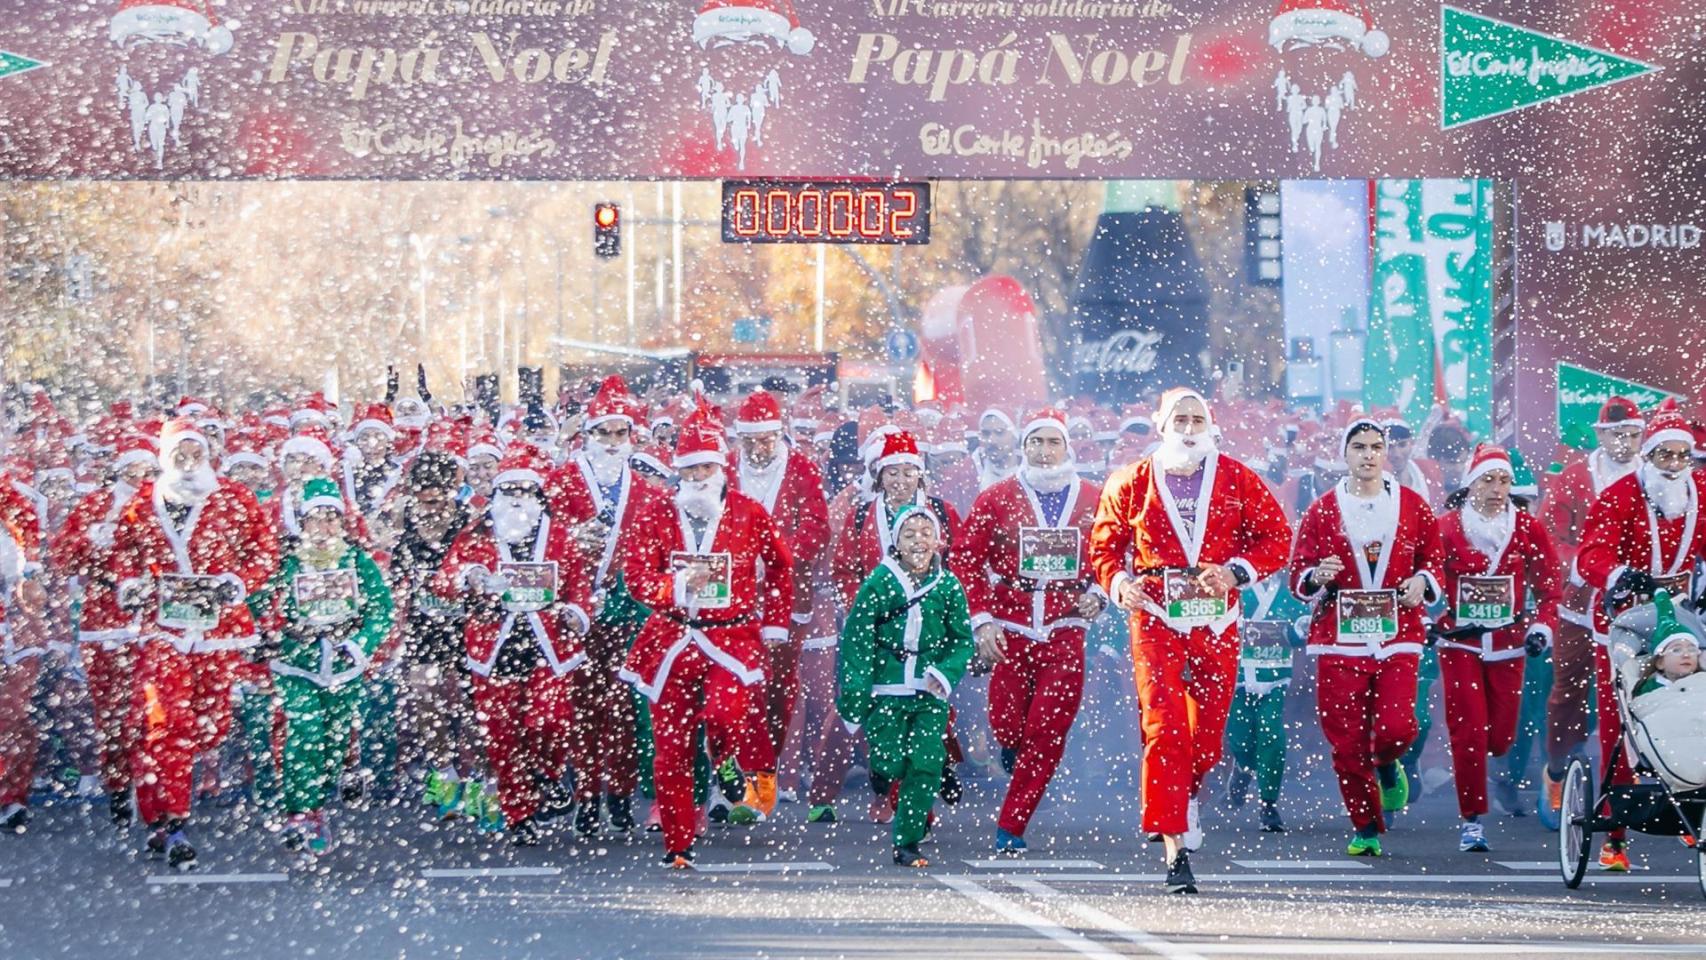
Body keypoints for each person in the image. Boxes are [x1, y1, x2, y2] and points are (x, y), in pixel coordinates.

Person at [1088, 388, 1293, 894]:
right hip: (1156, 615)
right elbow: (1105, 546)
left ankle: (1186, 793)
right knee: (1164, 726)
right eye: (1179, 417)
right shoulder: (1131, 481)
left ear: (1210, 423)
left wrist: (1237, 571)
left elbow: (1276, 538)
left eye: (1197, 417)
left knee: (1206, 738)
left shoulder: (1237, 477)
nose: (1188, 425)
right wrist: (1119, 583)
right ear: (1160, 423)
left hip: (1216, 620)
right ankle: (1174, 847)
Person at [618, 413, 794, 868]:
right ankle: (678, 842)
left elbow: (780, 566)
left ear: (721, 469)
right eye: (689, 470)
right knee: (671, 747)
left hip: (730, 637)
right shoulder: (655, 514)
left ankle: (727, 758)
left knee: (727, 712)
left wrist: (775, 621)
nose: (697, 477)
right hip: (671, 638)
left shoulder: (748, 512)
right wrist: (674, 586)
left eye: (705, 468)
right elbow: (636, 577)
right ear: (678, 472)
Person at [109, 418, 279, 869]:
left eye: (194, 455)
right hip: (163, 630)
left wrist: (237, 582)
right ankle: (172, 821)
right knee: (168, 722)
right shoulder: (143, 504)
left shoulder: (234, 498)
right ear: (164, 459)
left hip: (215, 630)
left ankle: (153, 792)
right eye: (178, 457)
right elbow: (123, 553)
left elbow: (264, 550)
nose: (187, 464)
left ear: (208, 456)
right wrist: (132, 585)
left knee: (211, 726)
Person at [951, 407, 1104, 852]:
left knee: (1047, 729)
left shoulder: (1095, 498)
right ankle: (1010, 750)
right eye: (1034, 442)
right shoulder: (997, 497)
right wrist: (981, 621)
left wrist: (1100, 592)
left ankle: (1012, 823)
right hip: (1010, 626)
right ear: (1023, 448)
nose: (1043, 451)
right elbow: (964, 558)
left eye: (1052, 442)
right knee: (1008, 725)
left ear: (1066, 447)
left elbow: (1117, 553)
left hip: (1066, 627)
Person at [1288, 418, 1441, 859]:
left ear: (1386, 452)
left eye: (1376, 446)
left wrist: (1422, 581)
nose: (1369, 454)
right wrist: (1316, 576)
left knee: (1397, 727)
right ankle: (1365, 824)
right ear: (1345, 454)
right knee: (1346, 739)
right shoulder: (1321, 510)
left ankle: (1388, 763)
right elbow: (1299, 573)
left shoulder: (1412, 505)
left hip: (1397, 634)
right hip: (1339, 638)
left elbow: (1433, 556)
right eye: (1359, 447)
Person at [432, 448, 594, 846]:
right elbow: (443, 579)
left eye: (526, 490)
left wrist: (576, 611)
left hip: (548, 644)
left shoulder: (558, 535)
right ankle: (519, 813)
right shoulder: (477, 534)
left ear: (539, 497)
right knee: (502, 736)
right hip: (494, 646)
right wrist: (469, 575)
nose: (518, 498)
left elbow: (579, 586)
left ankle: (549, 773)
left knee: (550, 719)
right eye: (510, 491)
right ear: (497, 495)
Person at [1573, 399, 1706, 872]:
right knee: (1620, 721)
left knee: (1695, 704)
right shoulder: (1620, 495)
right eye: (1663, 456)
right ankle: (1615, 834)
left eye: (1680, 456)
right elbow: (1590, 554)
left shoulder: (1702, 492)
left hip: (1684, 620)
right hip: (1626, 619)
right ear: (1646, 457)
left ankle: (1694, 804)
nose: (1673, 466)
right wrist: (1619, 575)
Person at [546, 377, 671, 836]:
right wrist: (570, 542)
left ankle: (619, 794)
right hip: (576, 610)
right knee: (581, 705)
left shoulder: (648, 490)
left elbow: (660, 549)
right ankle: (585, 794)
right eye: (605, 433)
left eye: (621, 433)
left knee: (622, 704)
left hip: (627, 610)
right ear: (589, 435)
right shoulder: (561, 482)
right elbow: (541, 541)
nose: (613, 442)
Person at [248, 478, 393, 854]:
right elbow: (256, 603)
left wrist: (359, 644)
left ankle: (317, 800)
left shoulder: (357, 561)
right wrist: (271, 634)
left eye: (332, 519)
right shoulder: (287, 563)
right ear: (302, 522)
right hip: (297, 663)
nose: (324, 528)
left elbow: (382, 611)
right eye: (316, 519)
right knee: (303, 731)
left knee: (335, 740)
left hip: (343, 665)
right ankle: (299, 811)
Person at [1431, 446, 1562, 853]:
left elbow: (1551, 587)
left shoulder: (1527, 528)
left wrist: (1542, 627)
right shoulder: (1447, 527)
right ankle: (1472, 821)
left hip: (1509, 644)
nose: (1496, 489)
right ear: (1470, 484)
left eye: (1503, 481)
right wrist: (1428, 623)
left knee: (1501, 737)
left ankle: (1492, 762)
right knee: (1467, 728)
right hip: (1460, 643)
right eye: (1487, 480)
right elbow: (1427, 578)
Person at [838, 505, 974, 868]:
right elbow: (858, 638)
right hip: (887, 688)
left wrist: (945, 672)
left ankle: (908, 841)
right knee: (890, 760)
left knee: (924, 764)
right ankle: (882, 772)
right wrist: (857, 689)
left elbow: (962, 639)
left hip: (930, 691)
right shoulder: (878, 583)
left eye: (925, 533)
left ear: (938, 540)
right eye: (909, 534)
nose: (918, 541)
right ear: (895, 542)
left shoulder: (948, 585)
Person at [1536, 396, 1642, 826]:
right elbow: (1550, 538)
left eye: (1633, 434)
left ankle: (1656, 784)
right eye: (1617, 434)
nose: (1626, 442)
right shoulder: (1575, 479)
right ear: (1601, 435)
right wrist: (1594, 566)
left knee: (1645, 693)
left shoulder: (1651, 478)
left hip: (1637, 610)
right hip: (1581, 609)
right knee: (1570, 695)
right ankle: (1558, 771)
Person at [728, 388, 830, 823]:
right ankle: (731, 777)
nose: (758, 449)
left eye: (766, 439)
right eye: (750, 441)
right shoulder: (727, 472)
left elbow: (818, 526)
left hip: (787, 597)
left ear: (779, 434)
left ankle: (763, 777)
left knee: (777, 691)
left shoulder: (802, 469)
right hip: (731, 599)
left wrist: (775, 554)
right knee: (733, 685)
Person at [51, 434, 156, 827]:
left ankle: (152, 792)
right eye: (134, 465)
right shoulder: (96, 503)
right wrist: (90, 542)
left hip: (147, 619)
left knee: (147, 711)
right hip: (102, 620)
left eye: (146, 466)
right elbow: (63, 554)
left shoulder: (161, 502)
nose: (139, 473)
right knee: (110, 713)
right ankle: (117, 785)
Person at [389, 451, 477, 818]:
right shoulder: (406, 528)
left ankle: (476, 780)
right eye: (423, 501)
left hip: (466, 625)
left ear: (451, 492)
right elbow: (396, 582)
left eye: (438, 500)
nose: (431, 509)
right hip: (424, 627)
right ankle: (444, 774)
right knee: (425, 698)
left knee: (472, 707)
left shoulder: (469, 526)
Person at [1222, 570, 1309, 833]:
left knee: (1271, 734)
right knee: (1238, 736)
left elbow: (1301, 631)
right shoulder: (1231, 585)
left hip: (1275, 675)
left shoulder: (1290, 593)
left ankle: (1268, 803)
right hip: (1236, 675)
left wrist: (1296, 631)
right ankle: (1244, 766)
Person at [0, 472, 45, 832]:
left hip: (13, 626)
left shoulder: (9, 499)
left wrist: (28, 572)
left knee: (11, 718)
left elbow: (26, 519)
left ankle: (11, 796)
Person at [1633, 595, 1700, 697]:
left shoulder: (1701, 682)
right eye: (1677, 650)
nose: (1686, 655)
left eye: (1691, 649)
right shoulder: (1648, 690)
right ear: (1660, 663)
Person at [972, 409, 1020, 491]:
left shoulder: (1031, 473)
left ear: (1014, 437)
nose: (992, 441)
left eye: (999, 432)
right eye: (986, 433)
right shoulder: (969, 472)